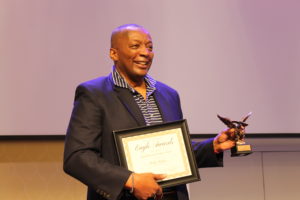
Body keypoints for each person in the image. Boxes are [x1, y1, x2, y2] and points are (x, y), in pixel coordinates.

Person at [63, 24, 238, 200]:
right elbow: (77, 157)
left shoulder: (168, 94)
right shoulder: (94, 93)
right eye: (135, 46)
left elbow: (173, 152)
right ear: (113, 53)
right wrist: (130, 180)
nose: (145, 52)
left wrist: (213, 146)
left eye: (150, 47)